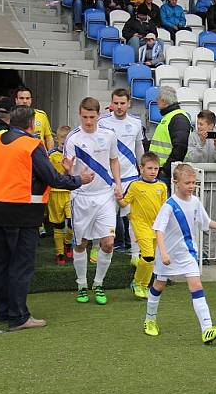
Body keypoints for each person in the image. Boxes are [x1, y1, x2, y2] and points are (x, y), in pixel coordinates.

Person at [0, 106, 89, 331]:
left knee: (0, 264)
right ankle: (19, 316)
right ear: (32, 124)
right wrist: (80, 180)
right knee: (21, 265)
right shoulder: (31, 145)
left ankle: (2, 311)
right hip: (23, 212)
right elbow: (52, 178)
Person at [144, 163, 216, 343]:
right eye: (187, 183)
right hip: (167, 254)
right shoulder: (169, 206)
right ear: (176, 182)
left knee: (197, 286)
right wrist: (164, 253)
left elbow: (206, 222)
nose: (191, 186)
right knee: (159, 285)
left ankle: (207, 329)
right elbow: (158, 230)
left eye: (193, 182)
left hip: (187, 253)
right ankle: (149, 320)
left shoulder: (195, 202)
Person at [64, 97, 123, 306]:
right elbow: (68, 169)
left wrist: (118, 184)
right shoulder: (72, 139)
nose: (88, 121)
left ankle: (98, 283)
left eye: (92, 117)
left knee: (108, 242)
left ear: (99, 115)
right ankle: (81, 284)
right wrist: (68, 168)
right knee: (81, 244)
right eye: (85, 117)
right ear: (79, 115)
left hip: (105, 195)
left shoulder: (108, 135)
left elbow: (114, 160)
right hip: (81, 196)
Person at [98, 89, 146, 264]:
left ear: (129, 103)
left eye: (122, 103)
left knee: (133, 217)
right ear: (111, 103)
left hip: (130, 176)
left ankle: (135, 254)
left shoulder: (135, 123)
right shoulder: (102, 122)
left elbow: (139, 147)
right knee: (104, 216)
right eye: (116, 103)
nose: (119, 107)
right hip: (107, 178)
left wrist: (142, 167)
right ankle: (97, 247)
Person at [118, 153, 168, 299]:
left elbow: (165, 207)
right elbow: (124, 203)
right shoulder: (135, 185)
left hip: (156, 227)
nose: (153, 171)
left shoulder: (162, 186)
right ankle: (136, 282)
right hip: (140, 225)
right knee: (147, 256)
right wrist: (118, 197)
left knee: (151, 258)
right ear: (141, 168)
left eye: (156, 168)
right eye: (150, 168)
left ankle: (144, 285)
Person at [184, 110, 216, 254]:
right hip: (196, 184)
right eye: (198, 123)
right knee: (194, 218)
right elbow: (191, 158)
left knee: (209, 219)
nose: (199, 127)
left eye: (202, 124)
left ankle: (206, 252)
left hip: (213, 184)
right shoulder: (192, 137)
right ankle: (193, 249)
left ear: (211, 126)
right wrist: (202, 143)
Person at [149, 86, 190, 186]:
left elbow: (180, 147)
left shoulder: (177, 118)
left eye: (157, 99)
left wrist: (166, 170)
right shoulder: (171, 117)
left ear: (163, 100)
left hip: (166, 173)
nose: (157, 102)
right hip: (161, 170)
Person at [47, 125, 74, 265]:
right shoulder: (51, 155)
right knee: (58, 225)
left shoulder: (74, 154)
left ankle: (68, 242)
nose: (64, 141)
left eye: (67, 139)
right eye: (62, 138)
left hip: (70, 193)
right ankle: (60, 252)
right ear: (57, 139)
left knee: (72, 223)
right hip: (55, 193)